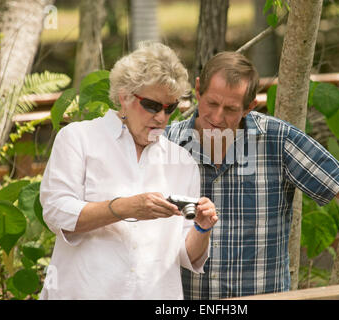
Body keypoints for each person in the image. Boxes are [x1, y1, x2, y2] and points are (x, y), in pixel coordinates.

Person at [165, 51, 339, 299]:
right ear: (198, 90)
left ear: (249, 106)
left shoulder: (278, 140)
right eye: (212, 103)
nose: (218, 117)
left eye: (231, 109)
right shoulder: (167, 144)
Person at [39, 42, 218, 300]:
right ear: (125, 96)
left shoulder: (182, 161)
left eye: (170, 108)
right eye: (153, 106)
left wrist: (202, 229)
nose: (162, 118)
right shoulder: (78, 138)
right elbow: (56, 212)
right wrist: (125, 208)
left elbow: (185, 255)